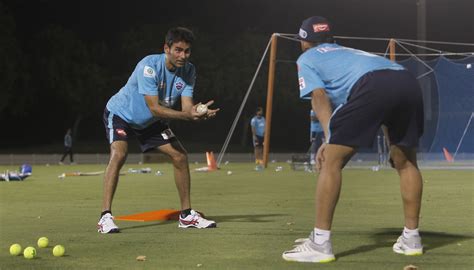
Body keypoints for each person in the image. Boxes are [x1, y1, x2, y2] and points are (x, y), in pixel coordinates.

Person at [282, 16, 424, 263]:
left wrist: (329, 137)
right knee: (406, 162)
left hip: (372, 85)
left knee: (331, 162)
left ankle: (320, 243)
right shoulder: (349, 51)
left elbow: (318, 96)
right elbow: (386, 86)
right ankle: (412, 239)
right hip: (406, 80)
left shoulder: (306, 58)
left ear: (304, 42)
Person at [97, 27, 219, 234]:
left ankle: (186, 215)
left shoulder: (189, 70)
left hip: (151, 121)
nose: (183, 56)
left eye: (187, 51)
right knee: (119, 153)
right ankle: (105, 217)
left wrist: (198, 113)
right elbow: (154, 107)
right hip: (121, 114)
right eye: (178, 50)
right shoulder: (149, 66)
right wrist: (188, 116)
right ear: (167, 48)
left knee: (180, 157)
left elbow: (186, 107)